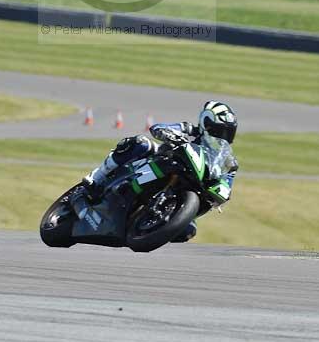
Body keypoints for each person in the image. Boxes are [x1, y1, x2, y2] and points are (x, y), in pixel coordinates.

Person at [82, 100, 239, 241]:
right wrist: (169, 134)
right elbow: (158, 128)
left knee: (188, 231)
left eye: (228, 131)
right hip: (162, 161)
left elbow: (227, 182)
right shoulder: (190, 130)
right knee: (140, 143)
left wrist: (222, 191)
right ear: (207, 123)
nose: (224, 135)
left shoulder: (227, 160)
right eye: (221, 129)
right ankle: (97, 177)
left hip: (192, 184)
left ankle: (149, 226)